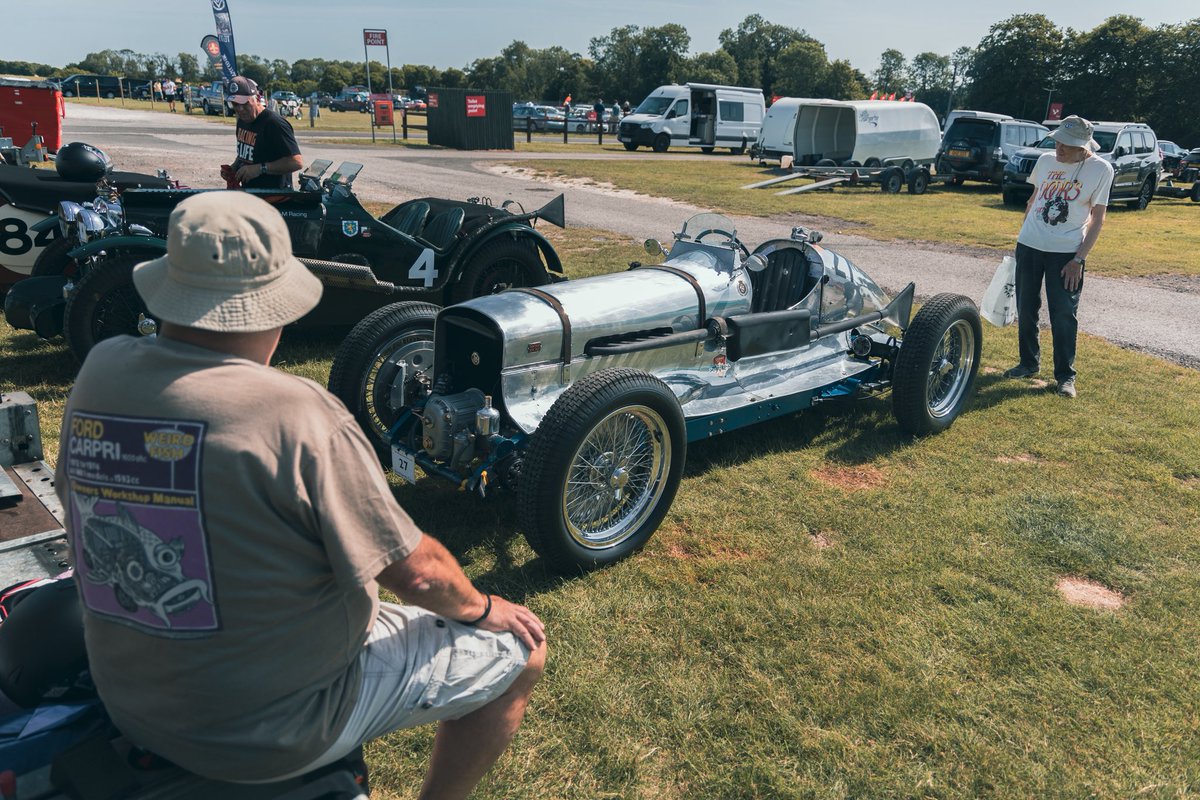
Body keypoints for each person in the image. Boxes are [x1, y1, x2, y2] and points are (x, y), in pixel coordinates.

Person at [55, 191, 547, 795]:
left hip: (133, 702)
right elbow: (417, 576)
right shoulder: (297, 412)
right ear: (272, 311)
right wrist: (485, 608)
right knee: (522, 656)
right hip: (274, 733)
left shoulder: (101, 370)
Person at [1005, 115, 1112, 398]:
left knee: (1063, 314)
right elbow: (1034, 199)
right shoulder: (1045, 162)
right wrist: (1023, 235)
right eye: (1058, 142)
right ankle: (1028, 363)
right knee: (1026, 306)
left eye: (1067, 145)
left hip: (1066, 253)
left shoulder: (1101, 170)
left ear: (1084, 147)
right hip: (1029, 245)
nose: (1059, 149)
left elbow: (1098, 219)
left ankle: (1065, 377)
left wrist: (1078, 259)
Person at [226, 75, 304, 189]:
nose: (240, 109)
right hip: (251, 194)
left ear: (257, 98)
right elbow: (247, 154)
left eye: (245, 103)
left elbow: (296, 162)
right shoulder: (242, 120)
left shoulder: (274, 123)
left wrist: (261, 168)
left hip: (275, 198)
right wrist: (234, 167)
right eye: (235, 104)